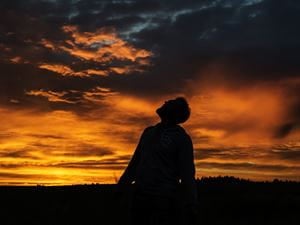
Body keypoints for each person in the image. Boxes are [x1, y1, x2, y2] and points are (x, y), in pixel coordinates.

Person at [117, 97, 198, 225]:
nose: (166, 102)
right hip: (139, 197)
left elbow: (187, 173)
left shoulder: (182, 139)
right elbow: (135, 162)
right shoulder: (148, 132)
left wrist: (191, 203)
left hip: (163, 200)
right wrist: (122, 185)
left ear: (176, 113)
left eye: (171, 103)